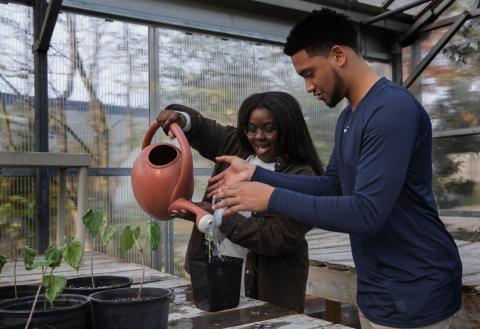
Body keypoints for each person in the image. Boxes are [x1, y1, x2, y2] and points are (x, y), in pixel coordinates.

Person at [210, 8, 462, 329]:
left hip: (414, 288)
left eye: (309, 73)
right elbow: (333, 185)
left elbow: (366, 213)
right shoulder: (349, 116)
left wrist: (270, 197)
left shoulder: (391, 110)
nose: (308, 87)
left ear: (338, 55)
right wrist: (257, 175)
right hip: (377, 287)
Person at [156, 91, 324, 313]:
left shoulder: (302, 177)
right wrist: (179, 118)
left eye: (268, 128)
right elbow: (199, 127)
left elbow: (277, 237)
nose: (258, 136)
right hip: (213, 284)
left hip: (269, 295)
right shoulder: (236, 146)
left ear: (288, 129)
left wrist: (215, 217)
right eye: (251, 128)